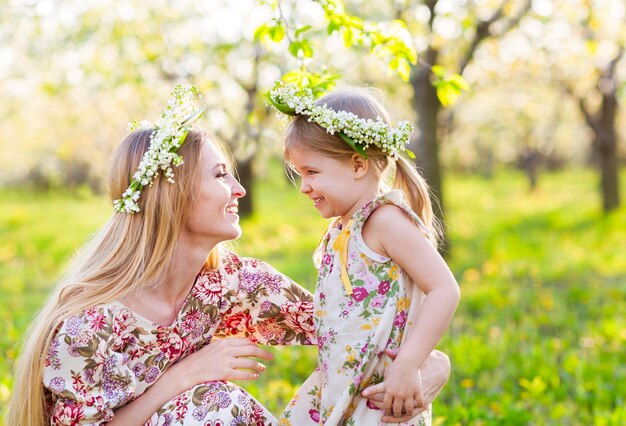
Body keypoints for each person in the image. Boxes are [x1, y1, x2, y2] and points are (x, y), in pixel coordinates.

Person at [7, 84, 450, 426]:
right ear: (174, 195)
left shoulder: (230, 285)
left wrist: (430, 366)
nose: (239, 190)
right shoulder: (88, 326)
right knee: (212, 403)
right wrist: (185, 376)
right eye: (221, 175)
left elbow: (347, 326)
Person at [265, 83, 461, 425]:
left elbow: (445, 289)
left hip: (381, 390)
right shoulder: (343, 228)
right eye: (300, 175)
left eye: (312, 172)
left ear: (358, 165)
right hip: (341, 385)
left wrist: (409, 364)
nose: (305, 186)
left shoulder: (384, 220)